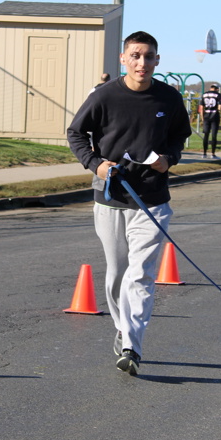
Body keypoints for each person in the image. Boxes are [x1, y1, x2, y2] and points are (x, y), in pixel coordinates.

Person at [67, 31, 191, 376]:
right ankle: (123, 328)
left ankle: (132, 345)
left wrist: (168, 159)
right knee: (118, 273)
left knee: (141, 275)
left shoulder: (169, 98)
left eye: (149, 56)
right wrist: (96, 165)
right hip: (111, 198)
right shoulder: (104, 96)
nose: (142, 62)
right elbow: (75, 133)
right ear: (123, 59)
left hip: (153, 200)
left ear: (157, 61)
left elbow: (180, 137)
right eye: (135, 55)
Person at [199, 84, 221, 159]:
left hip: (206, 116)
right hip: (214, 115)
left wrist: (202, 118)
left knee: (206, 135)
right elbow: (220, 107)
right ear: (216, 89)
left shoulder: (204, 94)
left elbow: (201, 107)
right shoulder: (218, 95)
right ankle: (213, 154)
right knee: (214, 135)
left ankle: (204, 153)